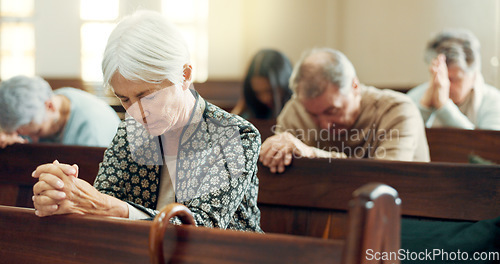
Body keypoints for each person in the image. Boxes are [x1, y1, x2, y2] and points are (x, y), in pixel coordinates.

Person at [31, 11, 262, 232]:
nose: (136, 113)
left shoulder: (235, 135)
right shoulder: (132, 130)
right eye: (124, 98)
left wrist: (110, 208)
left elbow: (201, 226)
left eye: (147, 96)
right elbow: (103, 199)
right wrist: (64, 198)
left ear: (185, 76)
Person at [260, 48, 430, 173]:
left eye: (332, 110)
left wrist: (311, 154)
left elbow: (386, 179)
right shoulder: (296, 110)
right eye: (312, 115)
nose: (325, 125)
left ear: (354, 86)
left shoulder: (398, 110)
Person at [407, 28, 500, 130]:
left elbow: (489, 144)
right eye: (440, 75)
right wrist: (424, 107)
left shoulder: (494, 102)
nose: (443, 84)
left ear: (474, 75)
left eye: (453, 79)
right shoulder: (414, 98)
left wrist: (444, 106)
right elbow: (398, 138)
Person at [0, 75, 120, 148]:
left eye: (38, 132)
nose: (33, 140)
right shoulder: (41, 104)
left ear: (50, 106)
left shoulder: (93, 131)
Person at [231, 49, 293, 119]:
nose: (265, 99)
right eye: (257, 92)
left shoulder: (298, 113)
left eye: (269, 91)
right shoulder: (252, 111)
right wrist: (241, 107)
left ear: (285, 83)